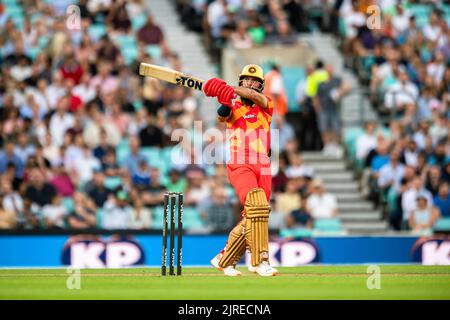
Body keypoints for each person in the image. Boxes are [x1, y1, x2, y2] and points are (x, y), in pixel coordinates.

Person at [205, 64, 278, 276]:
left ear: (261, 85)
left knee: (256, 213)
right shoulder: (234, 108)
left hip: (263, 164)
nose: (251, 84)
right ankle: (259, 261)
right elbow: (222, 115)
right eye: (247, 80)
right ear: (241, 81)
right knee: (255, 206)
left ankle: (224, 258)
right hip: (240, 162)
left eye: (255, 82)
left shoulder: (267, 104)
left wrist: (231, 89)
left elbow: (256, 97)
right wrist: (225, 98)